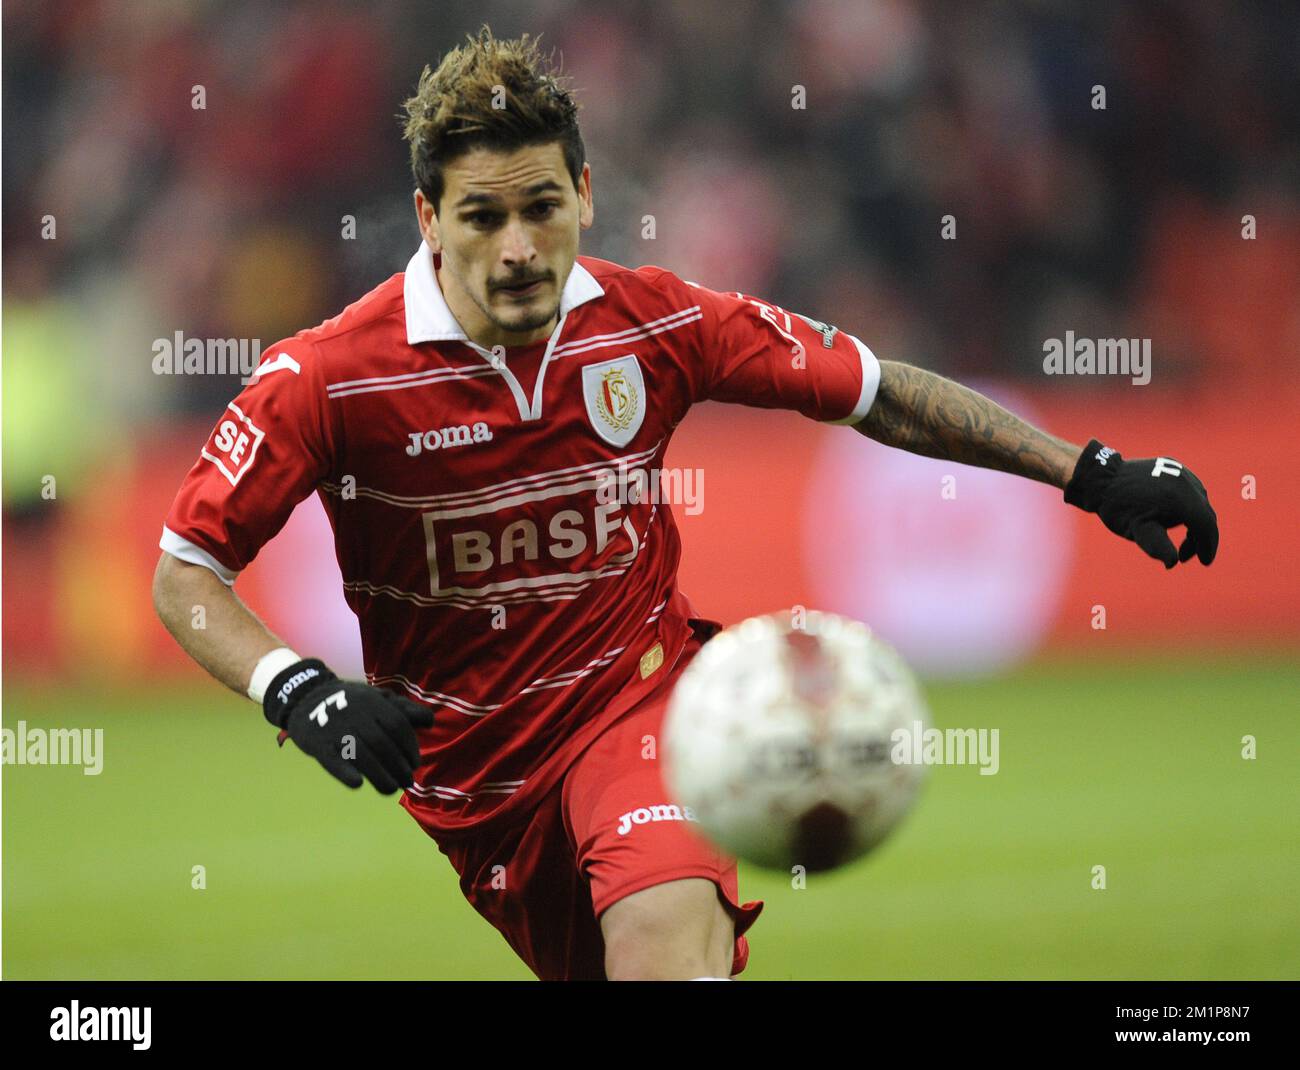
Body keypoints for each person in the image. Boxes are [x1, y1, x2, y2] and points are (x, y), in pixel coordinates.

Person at [152, 28, 1218, 981]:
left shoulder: (653, 324)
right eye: (483, 216)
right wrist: (297, 689)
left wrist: (1087, 469)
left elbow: (874, 391)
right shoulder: (328, 376)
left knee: (663, 941)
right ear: (430, 217)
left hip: (647, 707)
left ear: (585, 191)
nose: (519, 247)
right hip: (476, 792)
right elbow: (186, 566)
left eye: (542, 206)